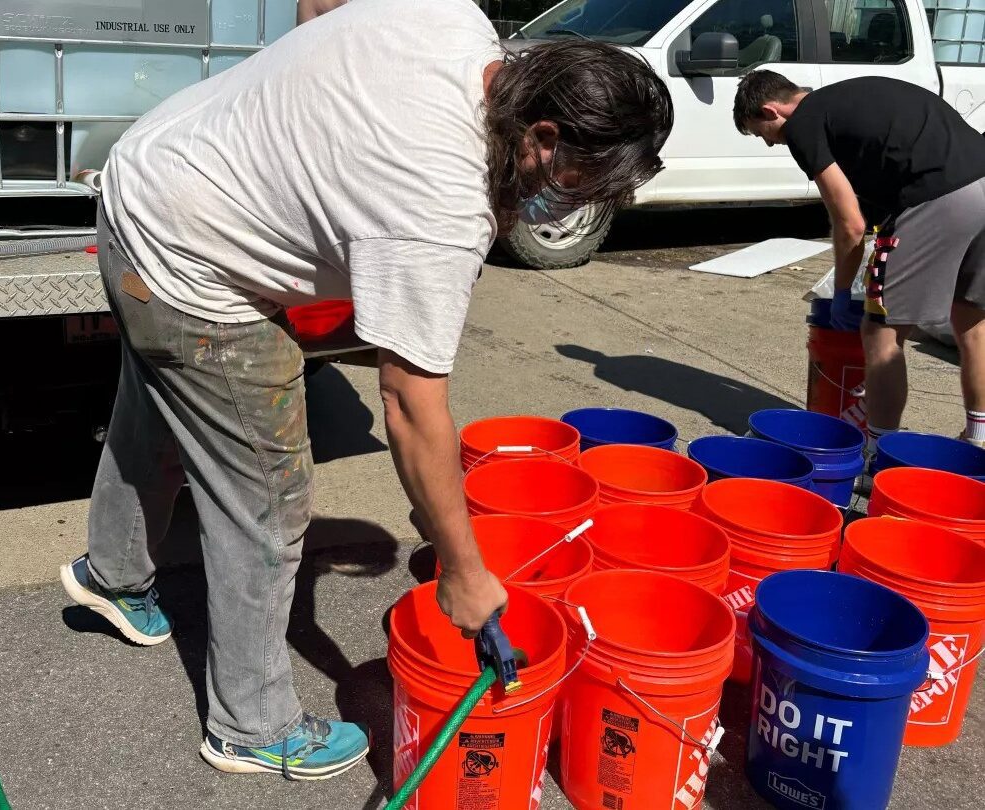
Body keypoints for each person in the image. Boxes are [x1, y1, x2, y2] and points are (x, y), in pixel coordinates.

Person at [59, 0, 673, 782]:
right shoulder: (438, 206)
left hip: (148, 176)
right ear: (542, 138)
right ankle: (249, 725)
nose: (578, 207)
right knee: (268, 494)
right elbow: (413, 408)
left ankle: (112, 575)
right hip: (192, 261)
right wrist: (462, 568)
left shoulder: (455, 22)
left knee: (168, 404)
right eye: (582, 186)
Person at [734, 71, 985, 453]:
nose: (770, 143)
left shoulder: (805, 123)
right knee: (972, 324)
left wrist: (840, 291)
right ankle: (978, 439)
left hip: (939, 196)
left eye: (760, 132)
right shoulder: (846, 102)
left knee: (881, 335)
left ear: (772, 110)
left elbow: (849, 223)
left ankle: (875, 454)